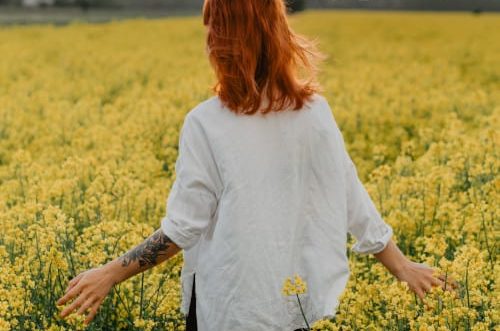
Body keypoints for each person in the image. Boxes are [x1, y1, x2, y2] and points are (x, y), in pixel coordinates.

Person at [56, 1, 459, 330]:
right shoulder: (314, 113)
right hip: (296, 308)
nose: (208, 42)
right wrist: (401, 265)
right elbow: (350, 193)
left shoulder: (206, 123)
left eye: (214, 29)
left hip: (229, 310)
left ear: (232, 42)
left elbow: (184, 226)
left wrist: (109, 274)